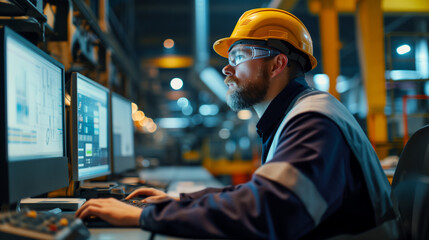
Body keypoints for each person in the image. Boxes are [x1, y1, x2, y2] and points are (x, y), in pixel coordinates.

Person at [76, 8, 400, 239]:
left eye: (239, 57)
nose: (226, 70)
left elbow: (268, 212)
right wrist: (185, 201)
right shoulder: (293, 116)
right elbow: (261, 193)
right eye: (228, 60)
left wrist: (146, 216)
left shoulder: (313, 121)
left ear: (278, 64)